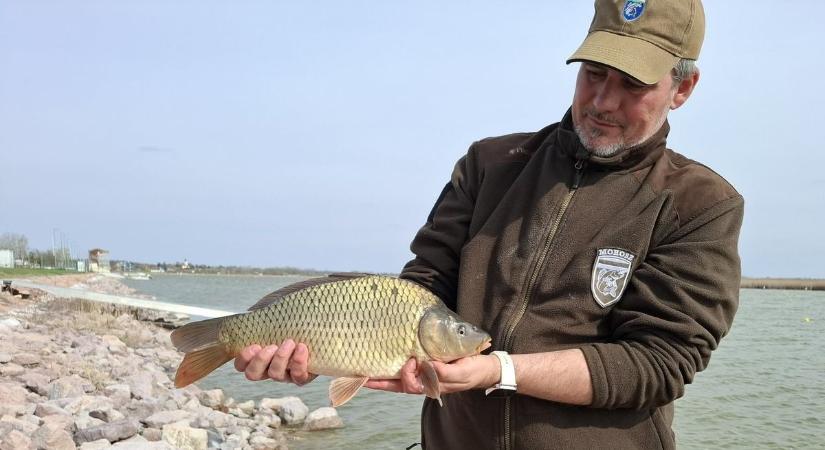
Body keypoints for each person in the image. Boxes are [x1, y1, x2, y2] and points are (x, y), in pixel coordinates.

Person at [234, 0, 744, 448]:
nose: (603, 102)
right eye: (593, 73)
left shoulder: (700, 204)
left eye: (633, 84)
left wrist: (499, 371)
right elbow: (425, 285)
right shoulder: (491, 163)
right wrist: (331, 349)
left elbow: (656, 363)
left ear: (684, 88)